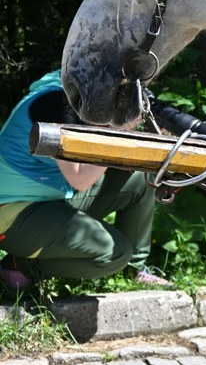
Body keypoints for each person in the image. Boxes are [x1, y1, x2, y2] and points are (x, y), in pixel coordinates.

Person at [0, 70, 171, 291]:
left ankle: (134, 269)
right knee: (115, 253)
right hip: (12, 211)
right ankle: (20, 265)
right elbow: (79, 178)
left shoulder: (83, 98)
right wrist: (118, 132)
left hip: (51, 196)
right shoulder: (57, 104)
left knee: (139, 179)